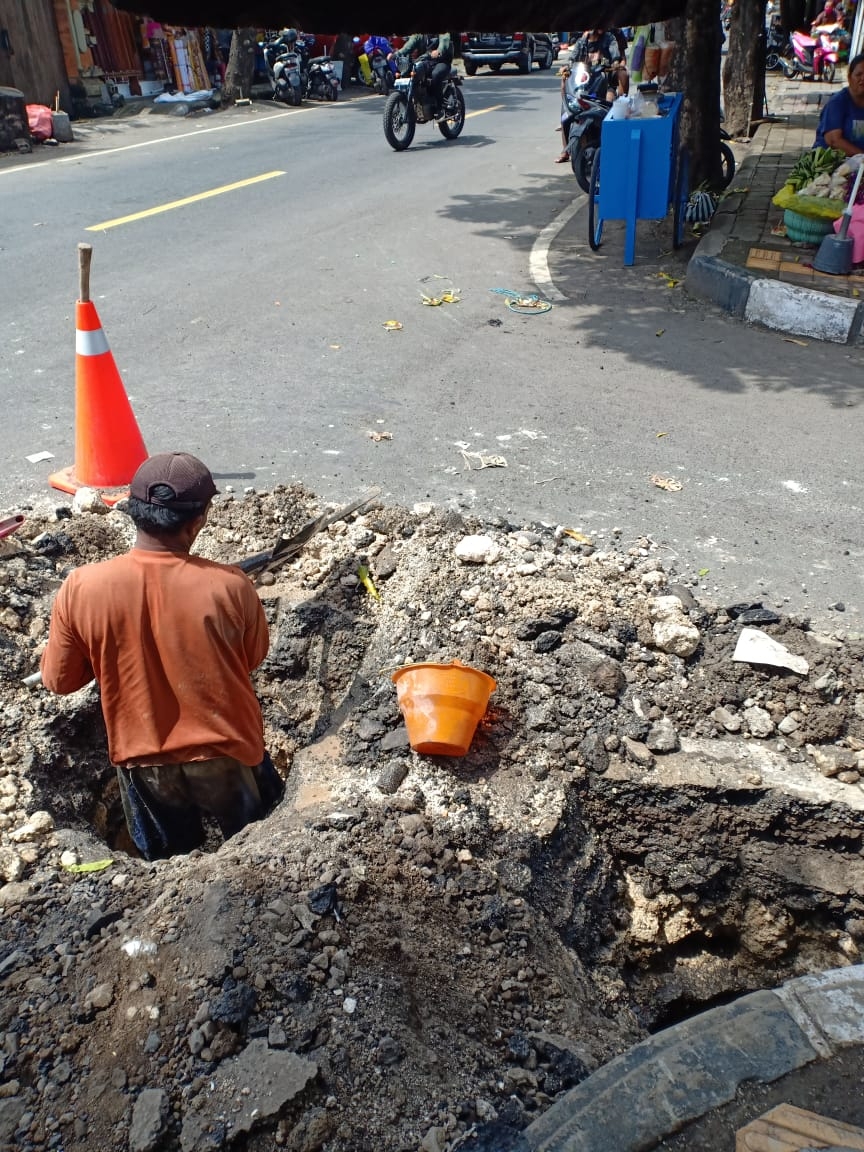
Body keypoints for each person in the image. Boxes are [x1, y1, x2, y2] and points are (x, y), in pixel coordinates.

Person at [40, 452, 284, 861]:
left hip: (144, 762)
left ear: (132, 511)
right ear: (199, 519)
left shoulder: (82, 587)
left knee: (168, 863)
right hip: (227, 753)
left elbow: (59, 681)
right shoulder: (230, 585)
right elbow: (251, 658)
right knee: (254, 850)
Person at [390, 32, 453, 114]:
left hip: (442, 61)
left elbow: (444, 40)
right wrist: (397, 54)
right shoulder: (420, 33)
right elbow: (410, 44)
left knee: (435, 74)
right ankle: (418, 99)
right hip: (426, 61)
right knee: (411, 71)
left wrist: (439, 51)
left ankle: (439, 108)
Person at [815, 54, 864, 155]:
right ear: (850, 78)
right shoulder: (837, 102)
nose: (863, 79)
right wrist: (862, 157)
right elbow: (833, 140)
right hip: (832, 163)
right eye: (858, 74)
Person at [569, 28, 629, 100]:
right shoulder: (581, 42)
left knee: (609, 98)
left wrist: (615, 62)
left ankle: (622, 102)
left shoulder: (609, 38)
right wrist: (568, 66)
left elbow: (616, 54)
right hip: (586, 80)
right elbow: (573, 58)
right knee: (565, 82)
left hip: (605, 79)